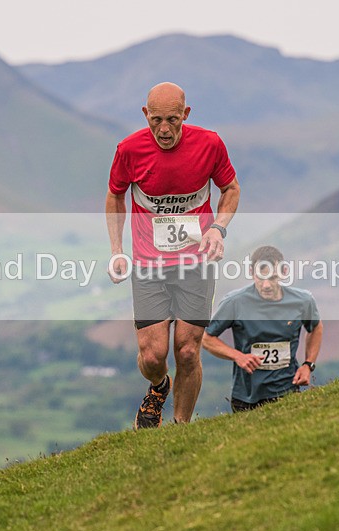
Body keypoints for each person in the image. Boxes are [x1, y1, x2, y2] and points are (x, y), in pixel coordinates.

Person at [105, 82, 241, 428]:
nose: (164, 130)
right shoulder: (129, 150)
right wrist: (117, 251)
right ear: (145, 114)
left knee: (187, 350)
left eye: (173, 120)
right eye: (157, 120)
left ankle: (180, 428)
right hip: (150, 265)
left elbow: (230, 188)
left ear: (187, 114)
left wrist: (218, 228)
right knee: (153, 356)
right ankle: (158, 386)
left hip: (196, 262)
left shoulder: (209, 144)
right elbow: (115, 196)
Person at [202, 246, 323, 412]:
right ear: (252, 272)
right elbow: (207, 339)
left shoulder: (303, 301)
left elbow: (315, 327)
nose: (266, 285)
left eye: (272, 277)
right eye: (261, 277)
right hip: (246, 397)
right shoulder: (235, 302)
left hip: (288, 390)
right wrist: (238, 356)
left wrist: (308, 365)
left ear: (284, 271)